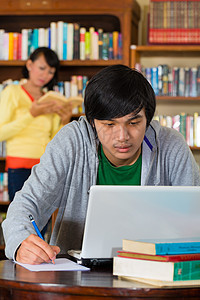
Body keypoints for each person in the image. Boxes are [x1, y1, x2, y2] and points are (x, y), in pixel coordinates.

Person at [2, 64, 200, 265]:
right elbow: (26, 203)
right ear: (92, 122)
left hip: (155, 271)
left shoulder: (171, 145)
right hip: (77, 277)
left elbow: (195, 213)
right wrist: (21, 242)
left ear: (147, 119)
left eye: (133, 123)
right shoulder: (71, 141)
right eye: (109, 124)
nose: (122, 137)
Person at [0, 47, 72, 202]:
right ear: (29, 65)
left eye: (51, 72)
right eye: (42, 68)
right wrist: (31, 115)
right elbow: (1, 133)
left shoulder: (51, 98)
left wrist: (64, 122)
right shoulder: (12, 92)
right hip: (19, 165)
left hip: (46, 166)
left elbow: (53, 140)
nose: (45, 75)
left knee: (44, 221)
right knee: (23, 218)